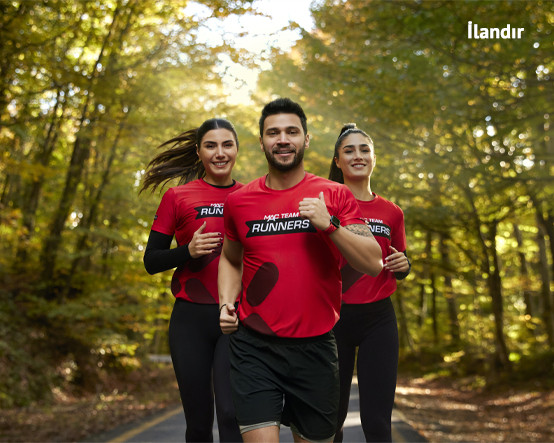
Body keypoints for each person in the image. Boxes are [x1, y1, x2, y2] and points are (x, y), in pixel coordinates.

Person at [218, 98, 383, 443]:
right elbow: (231, 259)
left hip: (316, 347)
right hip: (254, 348)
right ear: (261, 141)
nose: (282, 139)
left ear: (305, 140)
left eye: (292, 131)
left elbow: (372, 261)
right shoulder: (239, 201)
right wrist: (225, 302)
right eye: (273, 132)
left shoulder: (334, 195)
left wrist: (329, 224)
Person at [141, 118, 243, 442]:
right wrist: (188, 250)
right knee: (198, 424)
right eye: (211, 145)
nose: (219, 152)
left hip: (236, 317)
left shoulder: (252, 196)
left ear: (237, 149)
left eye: (227, 144)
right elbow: (151, 261)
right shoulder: (177, 196)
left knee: (231, 415)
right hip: (189, 320)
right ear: (199, 152)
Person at [329, 123, 411, 442]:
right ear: (338, 161)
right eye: (349, 150)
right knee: (330, 420)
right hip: (333, 318)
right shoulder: (326, 204)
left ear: (374, 158)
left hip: (379, 319)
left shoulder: (392, 212)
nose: (358, 155)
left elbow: (398, 261)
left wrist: (404, 265)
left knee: (376, 422)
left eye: (364, 150)